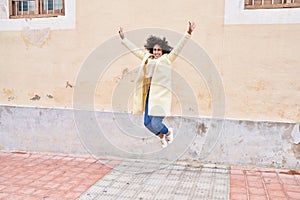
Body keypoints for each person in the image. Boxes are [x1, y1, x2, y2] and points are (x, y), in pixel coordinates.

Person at [119, 22, 196, 148]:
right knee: (146, 123)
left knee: (155, 123)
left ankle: (167, 131)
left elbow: (178, 48)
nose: (156, 52)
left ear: (163, 50)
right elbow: (135, 50)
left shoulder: (167, 59)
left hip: (160, 96)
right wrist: (124, 38)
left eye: (159, 50)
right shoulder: (147, 57)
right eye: (154, 49)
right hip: (149, 94)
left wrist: (188, 33)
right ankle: (161, 136)